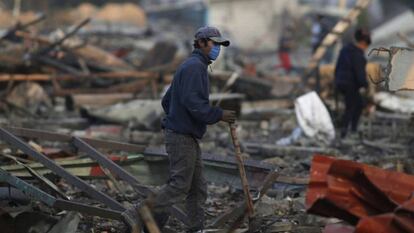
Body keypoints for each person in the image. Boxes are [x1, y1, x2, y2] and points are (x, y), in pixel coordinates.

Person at [147, 26, 236, 232]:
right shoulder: (194, 67)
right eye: (215, 44)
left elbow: (167, 100)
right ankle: (143, 217)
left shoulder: (193, 65)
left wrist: (178, 119)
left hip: (185, 134)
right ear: (202, 43)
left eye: (220, 46)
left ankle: (196, 228)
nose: (218, 49)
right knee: (179, 185)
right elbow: (195, 104)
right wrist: (218, 114)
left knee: (197, 188)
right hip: (181, 136)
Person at [334, 28, 371, 138]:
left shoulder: (345, 50)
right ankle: (347, 132)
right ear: (363, 43)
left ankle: (349, 130)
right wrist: (365, 85)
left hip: (340, 82)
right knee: (354, 106)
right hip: (350, 84)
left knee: (354, 105)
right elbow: (359, 73)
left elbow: (337, 68)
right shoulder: (358, 55)